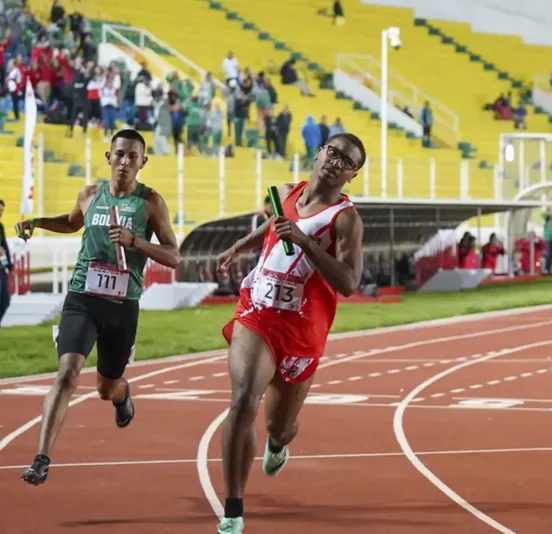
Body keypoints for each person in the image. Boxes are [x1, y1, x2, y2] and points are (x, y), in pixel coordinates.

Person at [213, 132, 366, 534]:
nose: (335, 161)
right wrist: (239, 246)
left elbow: (349, 282)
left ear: (353, 175)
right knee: (244, 397)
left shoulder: (345, 220)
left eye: (346, 161)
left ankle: (279, 443)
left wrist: (305, 243)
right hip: (258, 312)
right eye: (331, 152)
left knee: (279, 425)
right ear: (318, 154)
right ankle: (233, 508)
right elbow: (274, 224)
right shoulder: (286, 191)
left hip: (301, 329)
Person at [15, 129, 180, 486]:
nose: (124, 162)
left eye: (132, 157)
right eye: (119, 154)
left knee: (106, 386)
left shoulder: (150, 202)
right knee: (68, 374)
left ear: (143, 162)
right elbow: (73, 223)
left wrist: (136, 241)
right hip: (82, 297)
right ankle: (41, 458)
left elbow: (174, 256)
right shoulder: (90, 194)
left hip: (121, 305)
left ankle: (122, 395)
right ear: (108, 157)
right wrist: (38, 222)